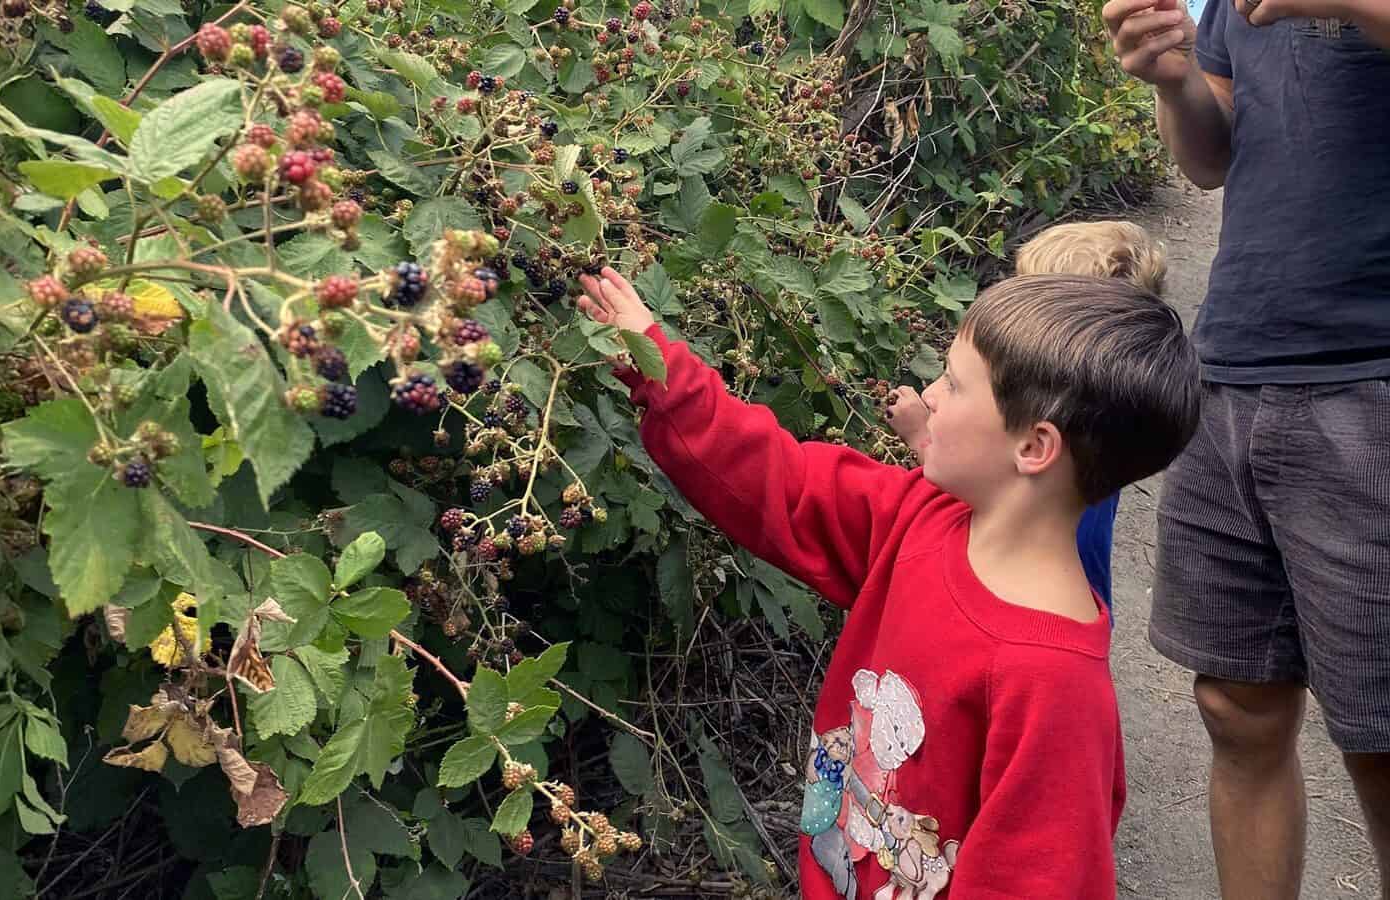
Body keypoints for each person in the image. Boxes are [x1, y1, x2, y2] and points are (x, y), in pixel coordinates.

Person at [578, 267, 1201, 898]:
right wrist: (657, 366)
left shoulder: (1054, 686)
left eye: (954, 384)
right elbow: (780, 482)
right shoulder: (919, 519)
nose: (929, 394)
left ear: (1034, 447)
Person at [1103, 0, 1390, 895]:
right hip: (1234, 367)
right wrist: (1177, 78)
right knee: (1237, 706)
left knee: (1382, 739)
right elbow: (1212, 159)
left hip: (1373, 380)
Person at [882, 220, 1168, 615]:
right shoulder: (1105, 412)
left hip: (1025, 608)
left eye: (1026, 302)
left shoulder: (1042, 438)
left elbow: (976, 489)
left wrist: (919, 437)